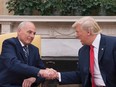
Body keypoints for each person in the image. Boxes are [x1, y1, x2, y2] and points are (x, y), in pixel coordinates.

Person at [44, 16, 116, 87]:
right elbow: (80, 75)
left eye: (77, 32)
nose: (76, 36)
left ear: (88, 32)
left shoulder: (113, 44)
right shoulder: (83, 51)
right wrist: (57, 75)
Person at [0, 21, 56, 87]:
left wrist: (34, 78)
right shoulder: (9, 44)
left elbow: (42, 70)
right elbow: (13, 64)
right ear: (19, 31)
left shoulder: (34, 49)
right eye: (29, 32)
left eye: (34, 33)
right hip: (10, 84)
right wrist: (39, 72)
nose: (32, 36)